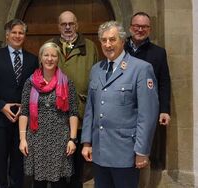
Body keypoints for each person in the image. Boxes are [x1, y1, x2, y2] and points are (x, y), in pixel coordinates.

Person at [81, 20, 159, 188]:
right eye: (104, 40)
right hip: (100, 153)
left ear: (123, 41)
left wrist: (142, 151)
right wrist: (87, 142)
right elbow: (90, 110)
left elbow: (148, 115)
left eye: (112, 39)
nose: (107, 44)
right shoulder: (96, 69)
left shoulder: (141, 69)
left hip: (126, 154)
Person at [0, 19, 39, 188]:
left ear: (25, 36)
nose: (17, 36)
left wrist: (25, 107)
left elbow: (35, 88)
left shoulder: (32, 60)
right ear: (7, 36)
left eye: (21, 33)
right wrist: (1, 105)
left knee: (19, 159)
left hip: (22, 118)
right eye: (14, 32)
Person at [49, 10, 99, 188]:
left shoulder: (90, 46)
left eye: (71, 23)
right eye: (64, 24)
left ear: (77, 25)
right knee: (57, 164)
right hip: (55, 114)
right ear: (58, 26)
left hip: (81, 112)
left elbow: (97, 78)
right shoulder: (50, 46)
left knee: (78, 165)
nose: (68, 27)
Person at [18, 42, 79, 188]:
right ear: (41, 58)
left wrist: (72, 139)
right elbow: (24, 112)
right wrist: (22, 139)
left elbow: (73, 112)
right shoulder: (30, 83)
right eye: (46, 55)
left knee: (60, 182)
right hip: (36, 139)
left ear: (58, 59)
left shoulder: (66, 82)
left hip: (60, 140)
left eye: (53, 55)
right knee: (38, 182)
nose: (49, 59)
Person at [124, 12, 171, 187]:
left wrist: (164, 109)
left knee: (143, 154)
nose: (140, 29)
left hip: (146, 113)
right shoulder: (120, 48)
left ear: (150, 29)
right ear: (130, 27)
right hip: (123, 112)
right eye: (137, 25)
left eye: (144, 27)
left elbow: (164, 83)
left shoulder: (158, 53)